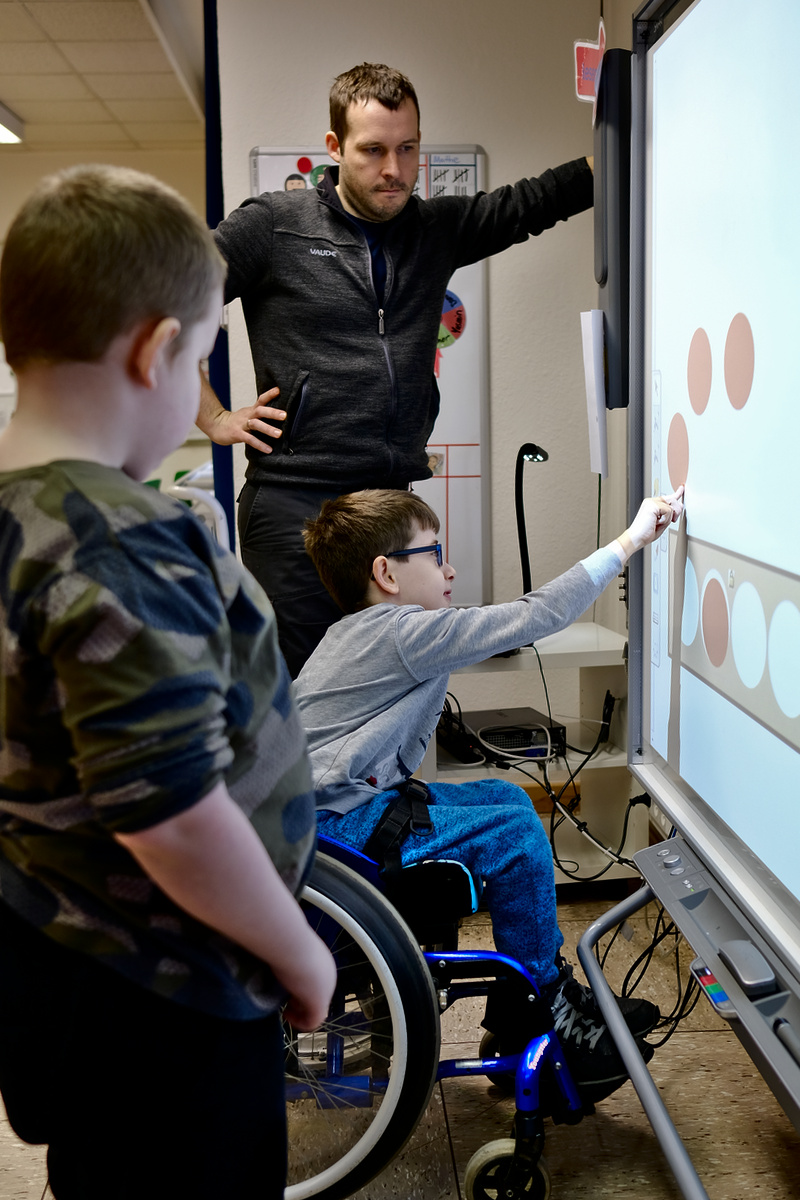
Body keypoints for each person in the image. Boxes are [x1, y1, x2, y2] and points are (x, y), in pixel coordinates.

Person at [0, 165, 336, 1200]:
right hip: (165, 992)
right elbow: (172, 816)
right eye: (198, 361)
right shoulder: (121, 542)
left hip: (57, 950)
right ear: (156, 350)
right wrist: (302, 956)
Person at [197, 61, 595, 678]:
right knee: (309, 697)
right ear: (334, 147)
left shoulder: (434, 229)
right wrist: (214, 417)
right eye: (374, 150)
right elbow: (159, 306)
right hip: (294, 505)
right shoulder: (274, 225)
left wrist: (625, 142)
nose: (394, 170)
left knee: (391, 684)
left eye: (408, 149)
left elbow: (532, 203)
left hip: (388, 507)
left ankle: (388, 783)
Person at [294, 485, 684, 1103]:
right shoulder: (401, 633)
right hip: (337, 839)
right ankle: (542, 1008)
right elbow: (535, 615)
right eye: (434, 552)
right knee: (517, 830)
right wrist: (630, 541)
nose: (448, 568)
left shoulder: (356, 633)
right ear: (385, 573)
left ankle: (526, 998)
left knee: (503, 797)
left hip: (322, 824)